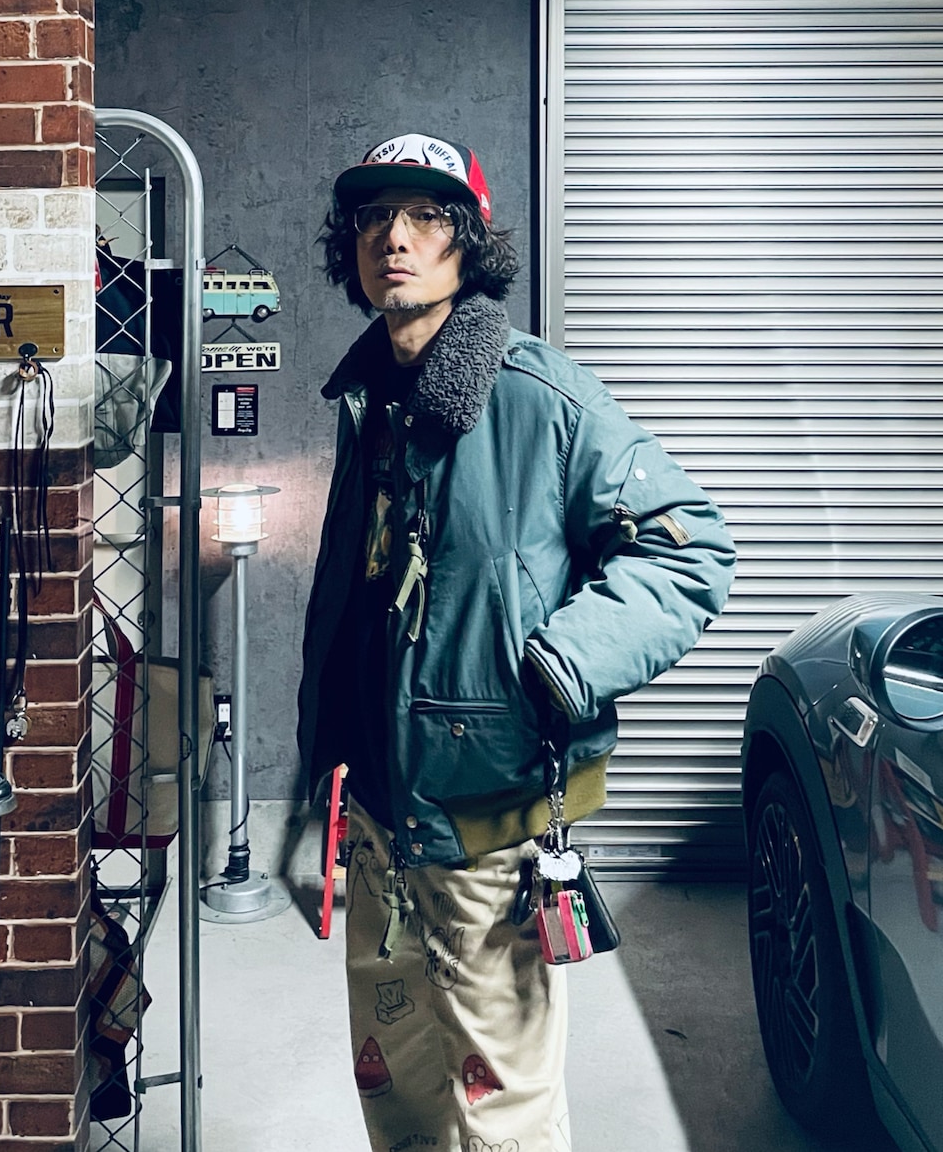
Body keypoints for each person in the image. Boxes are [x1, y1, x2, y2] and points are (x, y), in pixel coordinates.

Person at [298, 133, 736, 1152]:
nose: (394, 238)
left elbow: (691, 550)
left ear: (469, 244)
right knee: (396, 1087)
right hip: (383, 812)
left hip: (488, 814)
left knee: (500, 1109)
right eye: (373, 219)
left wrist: (559, 664)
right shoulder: (373, 399)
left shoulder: (538, 397)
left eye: (425, 216)